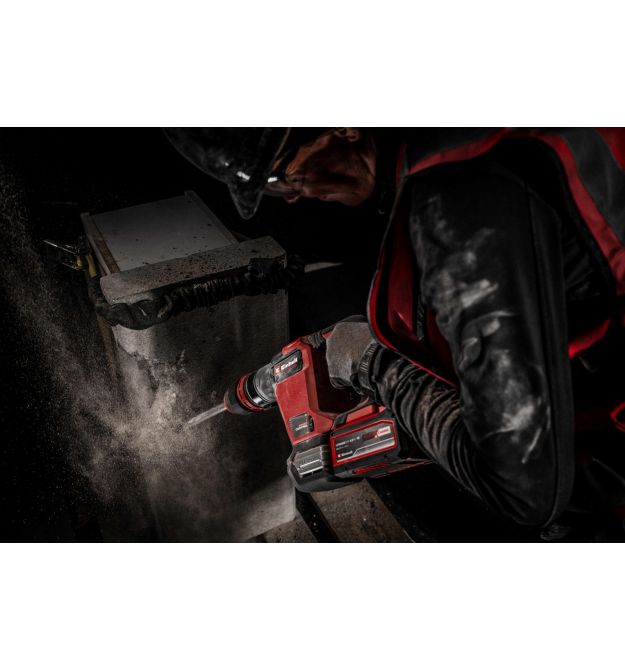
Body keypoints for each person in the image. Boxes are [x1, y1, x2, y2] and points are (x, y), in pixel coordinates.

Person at [165, 127, 625, 536]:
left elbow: (523, 489)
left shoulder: (458, 197)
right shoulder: (484, 143)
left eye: (279, 175)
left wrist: (377, 364)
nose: (290, 196)